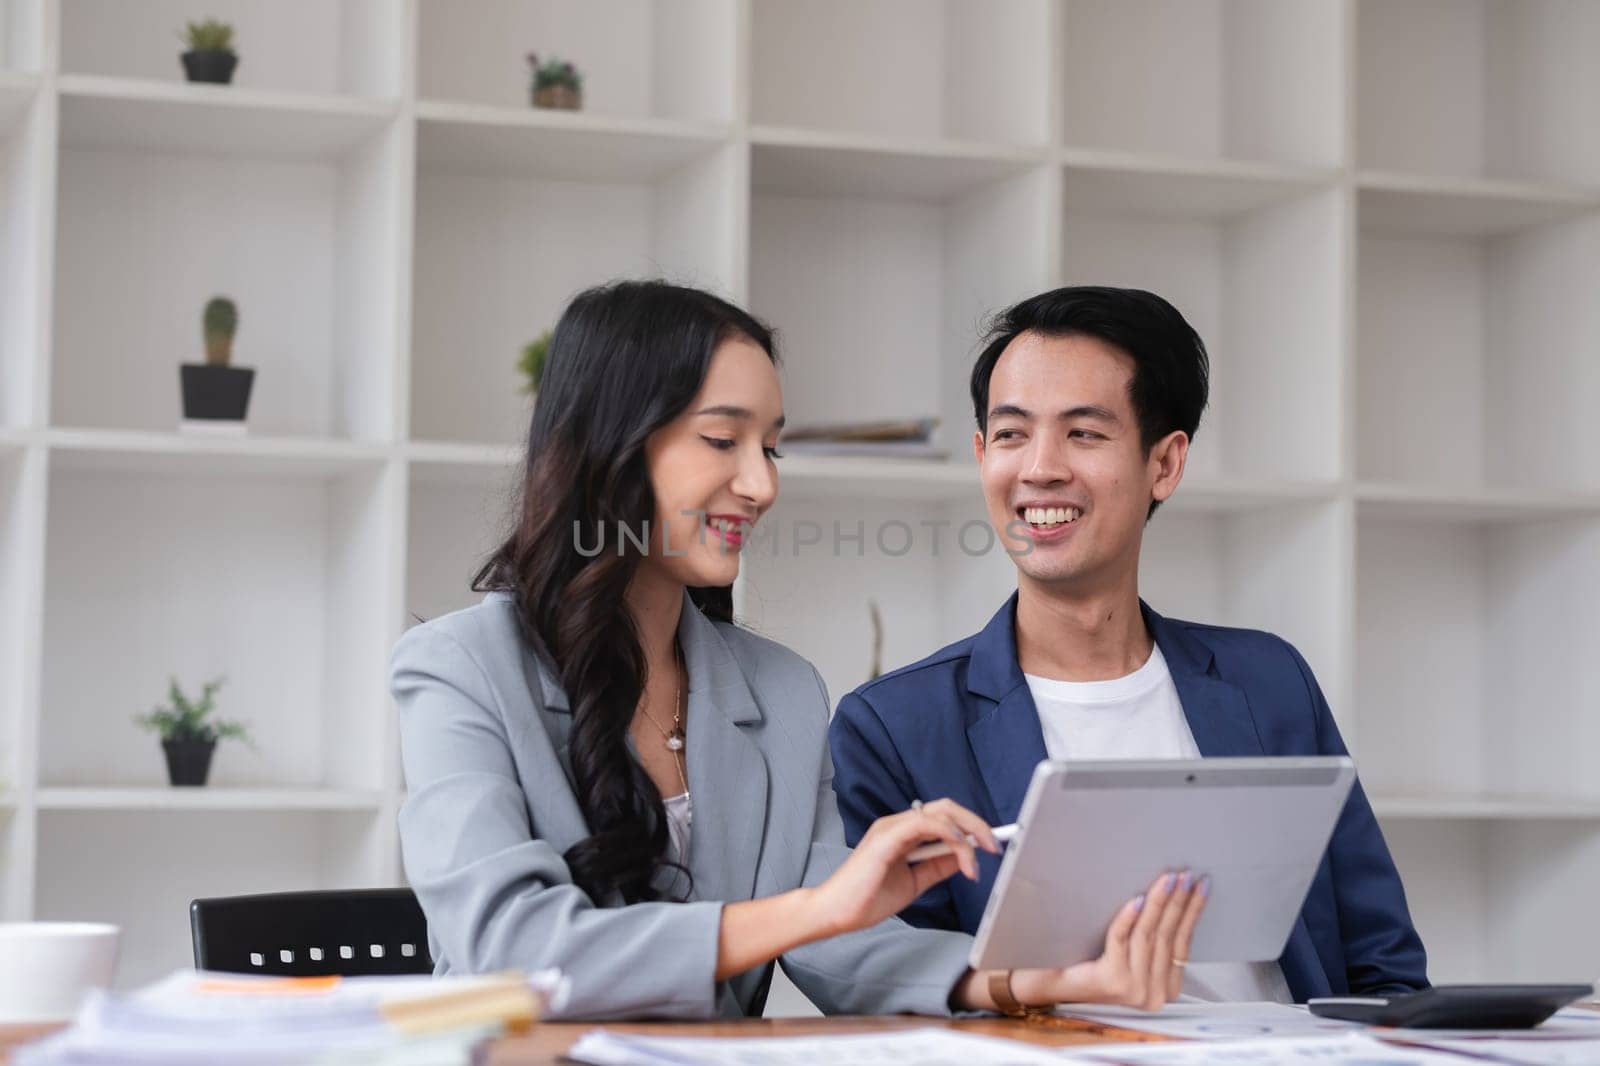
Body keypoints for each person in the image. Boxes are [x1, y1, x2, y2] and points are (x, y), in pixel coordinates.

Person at [391, 280, 1206, 1021]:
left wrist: (1031, 982)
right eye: (722, 441)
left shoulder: (780, 690)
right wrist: (821, 907)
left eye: (771, 448)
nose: (762, 484)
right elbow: (511, 948)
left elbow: (840, 942)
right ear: (612, 447)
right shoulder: (459, 669)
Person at [829, 285, 1429, 1004]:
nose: (1040, 468)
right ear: (982, 454)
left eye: (1083, 433)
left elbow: (1383, 966)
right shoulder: (895, 727)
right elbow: (896, 995)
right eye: (1013, 434)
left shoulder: (1269, 682)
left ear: (1165, 464)